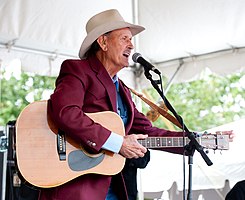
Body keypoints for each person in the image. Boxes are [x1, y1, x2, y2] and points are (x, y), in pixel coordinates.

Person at [38, 9, 185, 200]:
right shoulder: (77, 70)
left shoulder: (122, 88)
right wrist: (118, 143)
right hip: (77, 186)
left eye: (131, 39)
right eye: (124, 38)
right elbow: (66, 112)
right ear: (103, 42)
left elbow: (148, 131)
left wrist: (193, 140)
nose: (131, 45)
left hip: (114, 187)